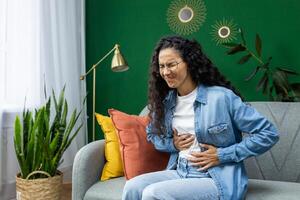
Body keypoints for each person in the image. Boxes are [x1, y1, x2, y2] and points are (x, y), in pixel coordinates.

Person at [122, 36, 279, 200]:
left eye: (171, 64)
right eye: (161, 66)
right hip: (180, 170)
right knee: (132, 187)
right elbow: (152, 135)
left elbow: (268, 133)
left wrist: (222, 155)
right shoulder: (166, 102)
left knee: (153, 193)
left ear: (189, 63)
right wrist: (173, 144)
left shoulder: (221, 97)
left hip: (216, 178)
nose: (166, 72)